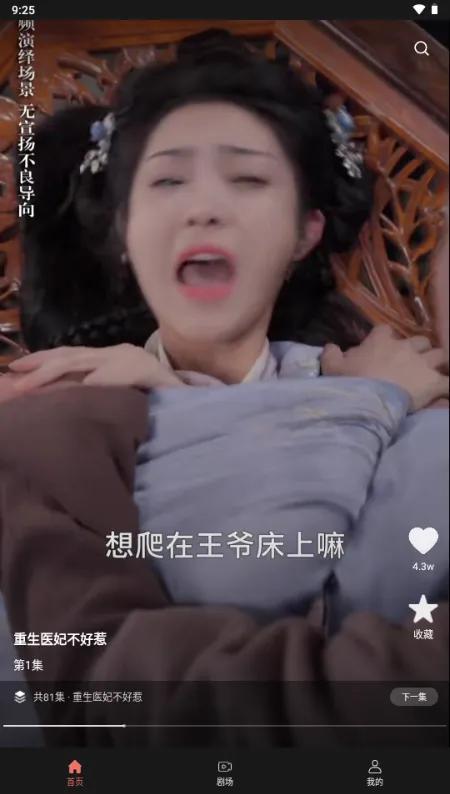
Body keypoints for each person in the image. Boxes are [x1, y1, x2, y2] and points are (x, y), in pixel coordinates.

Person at [0, 30, 448, 745]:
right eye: (168, 181)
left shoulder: (397, 395)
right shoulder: (66, 409)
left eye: (247, 180)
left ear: (305, 233)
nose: (204, 208)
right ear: (124, 230)